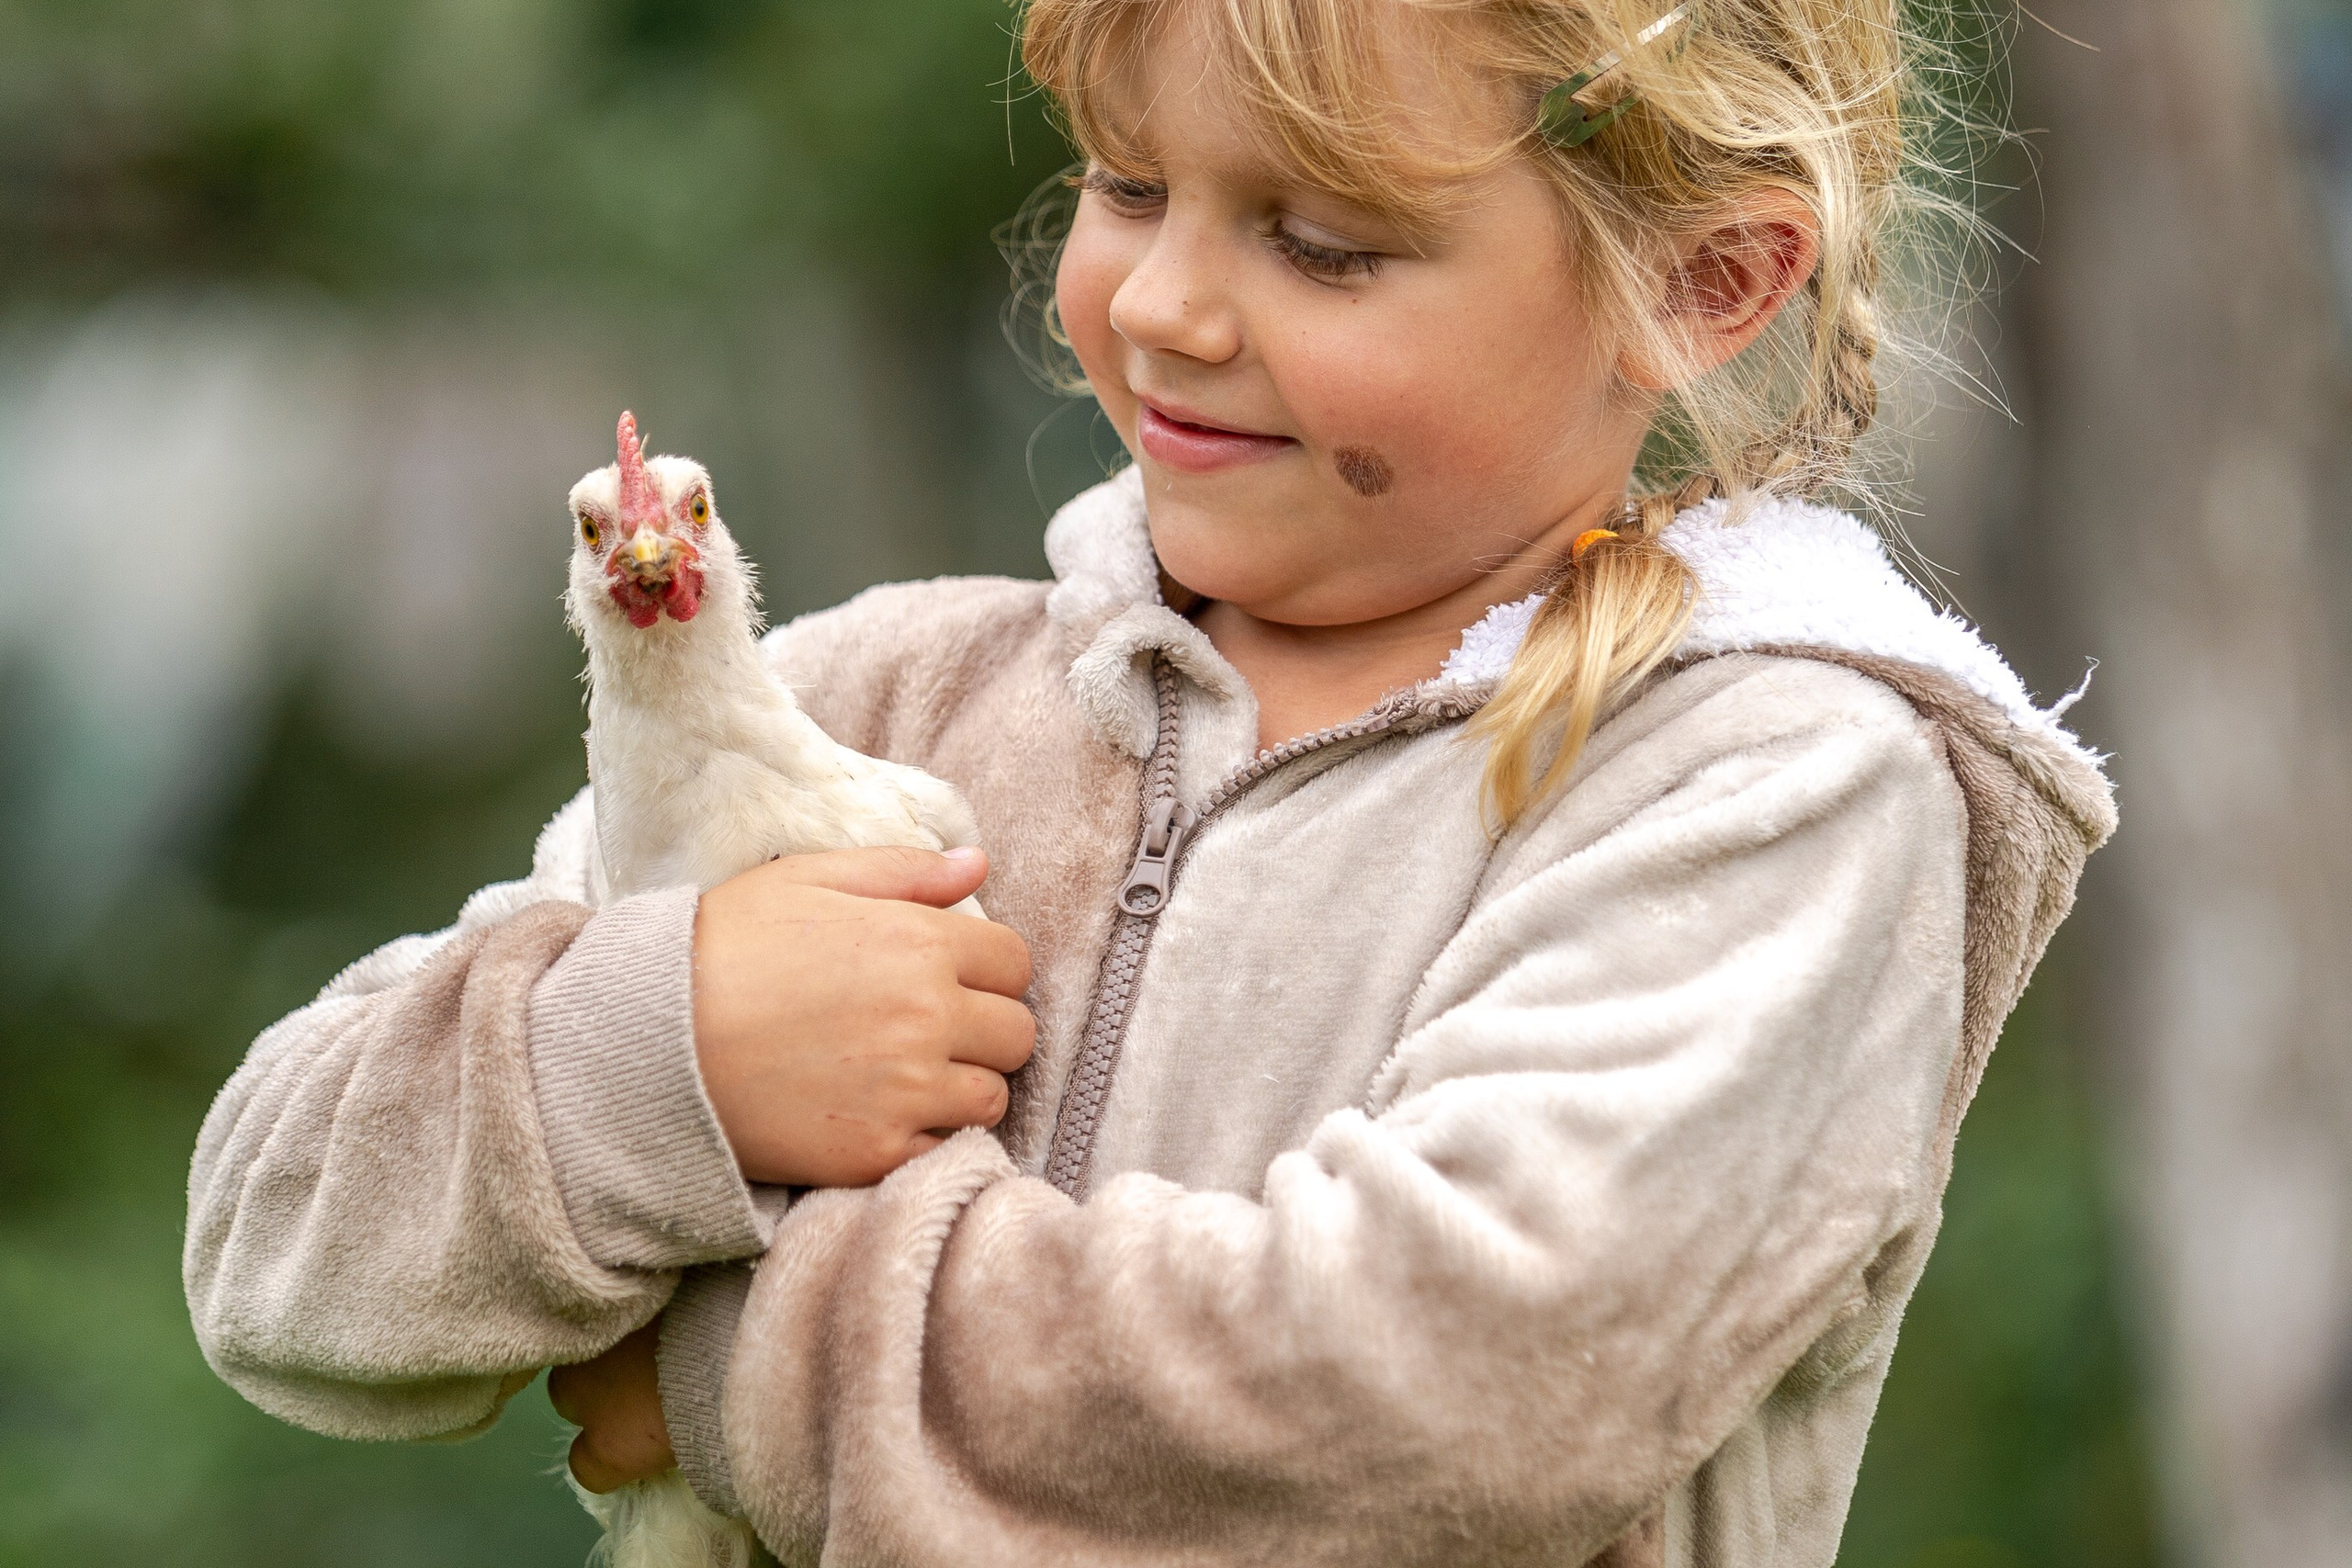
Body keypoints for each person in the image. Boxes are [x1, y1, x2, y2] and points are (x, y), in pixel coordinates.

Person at [183, 1, 2116, 1562]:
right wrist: (660, 1041)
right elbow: (282, 1245)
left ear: (1701, 282)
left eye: (1321, 240)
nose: (1165, 305)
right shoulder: (882, 700)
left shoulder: (1765, 787)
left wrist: (734, 1349)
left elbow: (1437, 1389)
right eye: (1127, 183)